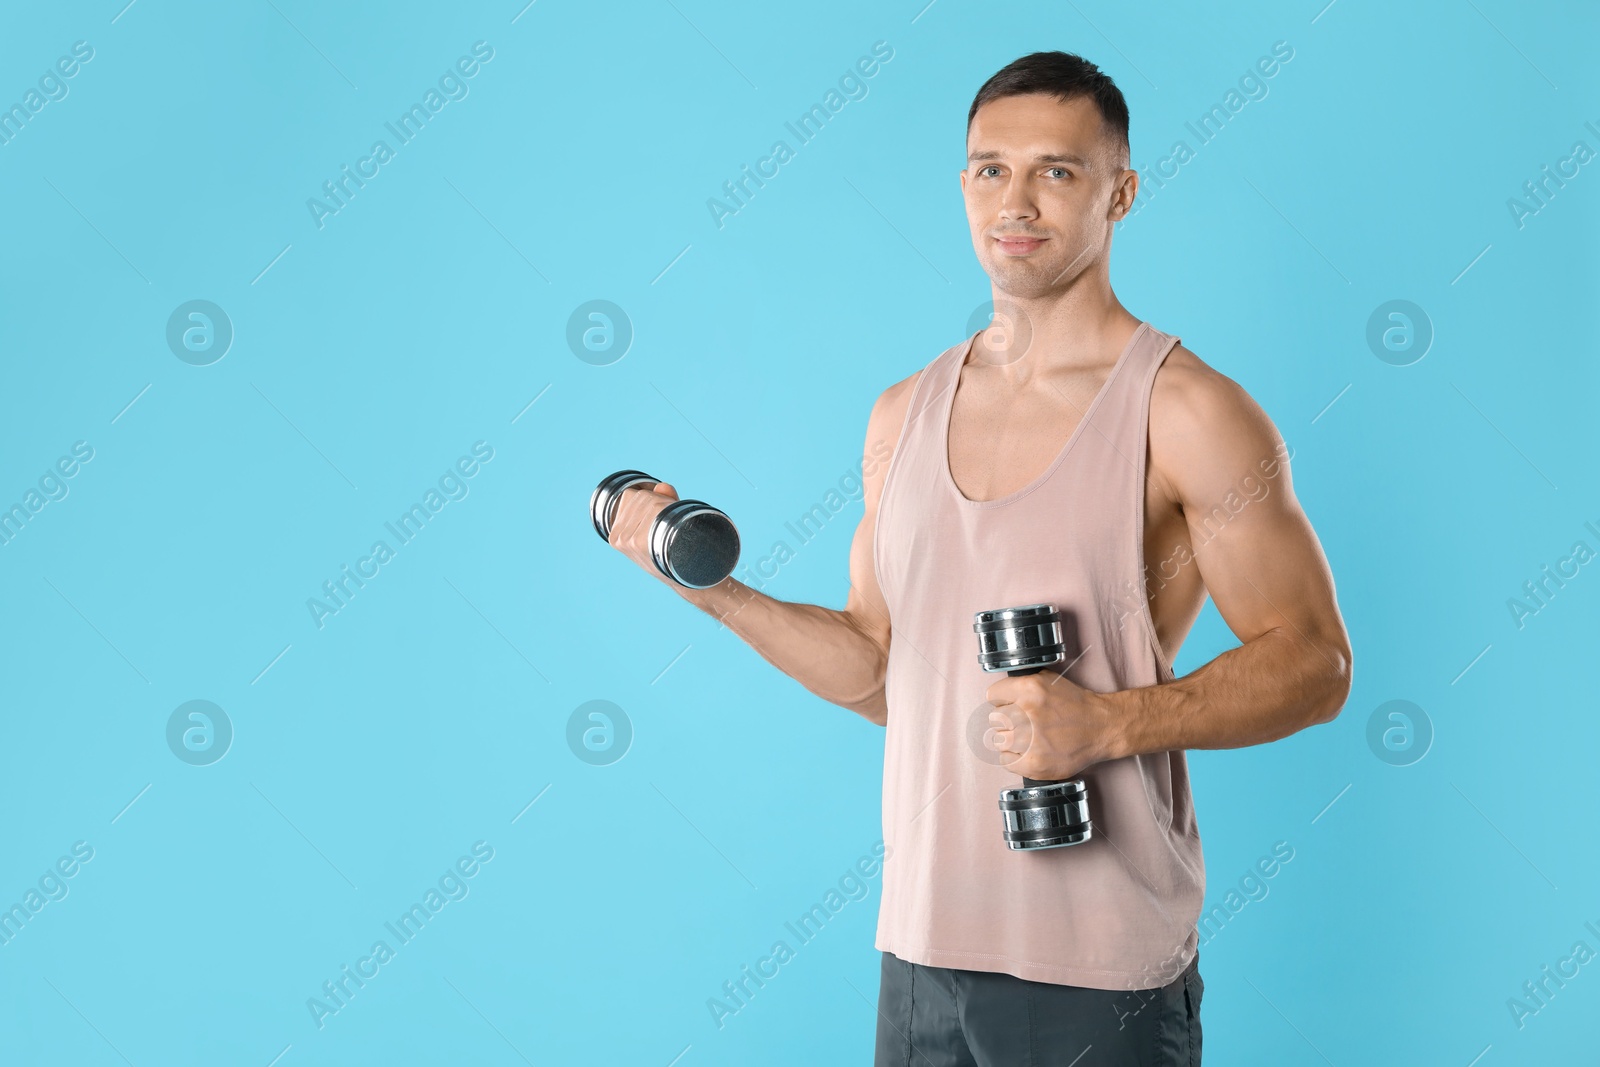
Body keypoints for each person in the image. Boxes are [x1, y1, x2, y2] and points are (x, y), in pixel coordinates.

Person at [604, 49, 1352, 1067]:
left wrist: (1106, 721)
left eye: (1058, 170)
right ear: (962, 186)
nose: (1018, 200)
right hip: (920, 949)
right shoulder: (899, 413)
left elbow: (1314, 663)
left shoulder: (1185, 410)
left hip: (1095, 965)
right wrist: (714, 592)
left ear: (1118, 192)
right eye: (990, 169)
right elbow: (881, 672)